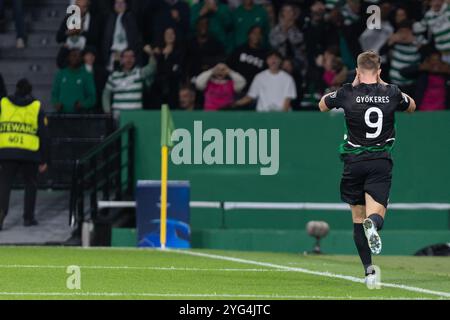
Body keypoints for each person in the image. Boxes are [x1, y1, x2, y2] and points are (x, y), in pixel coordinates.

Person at [318, 51, 416, 283]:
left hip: (353, 163)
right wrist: (384, 83)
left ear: (358, 72)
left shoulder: (347, 92)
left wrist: (351, 85)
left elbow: (322, 105)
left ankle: (369, 271)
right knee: (376, 214)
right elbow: (412, 106)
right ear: (379, 71)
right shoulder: (392, 92)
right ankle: (374, 225)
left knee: (357, 218)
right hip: (379, 161)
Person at [0, 79, 49, 230]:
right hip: (30, 153)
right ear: (30, 91)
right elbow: (45, 135)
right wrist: (45, 159)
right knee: (30, 185)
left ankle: (1, 215)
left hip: (7, 151)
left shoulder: (3, 103)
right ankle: (28, 218)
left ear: (16, 89)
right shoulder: (37, 106)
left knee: (4, 185)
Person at [103, 48, 156, 116]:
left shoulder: (139, 73)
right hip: (118, 117)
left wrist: (151, 54)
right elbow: (106, 95)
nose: (129, 59)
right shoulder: (114, 76)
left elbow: (152, 68)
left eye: (131, 56)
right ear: (121, 59)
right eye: (126, 57)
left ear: (134, 59)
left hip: (136, 116)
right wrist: (107, 112)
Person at [51, 49, 97, 113]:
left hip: (80, 117)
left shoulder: (87, 75)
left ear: (81, 58)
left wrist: (83, 104)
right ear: (68, 57)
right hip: (62, 116)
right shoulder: (61, 74)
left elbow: (92, 98)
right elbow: (54, 94)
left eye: (78, 56)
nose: (76, 58)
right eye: (73, 56)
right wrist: (56, 103)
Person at [103, 0, 143, 71]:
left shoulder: (132, 18)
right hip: (113, 55)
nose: (120, 5)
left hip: (128, 55)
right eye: (117, 3)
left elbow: (136, 40)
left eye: (122, 3)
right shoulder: (109, 18)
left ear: (126, 4)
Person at [227, 25, 268, 92]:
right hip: (238, 88)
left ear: (262, 37)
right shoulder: (239, 50)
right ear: (249, 35)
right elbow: (229, 67)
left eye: (259, 34)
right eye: (254, 33)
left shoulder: (265, 54)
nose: (257, 36)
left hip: (255, 91)